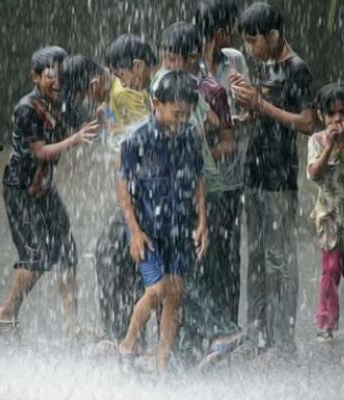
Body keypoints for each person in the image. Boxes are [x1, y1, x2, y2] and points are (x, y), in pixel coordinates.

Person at [0, 47, 98, 341]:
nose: (57, 80)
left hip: (45, 187)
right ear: (35, 77)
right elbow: (40, 151)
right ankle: (5, 312)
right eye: (50, 75)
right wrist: (74, 138)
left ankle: (72, 328)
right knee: (36, 256)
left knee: (66, 252)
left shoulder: (62, 103)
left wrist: (103, 113)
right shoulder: (27, 109)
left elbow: (88, 125)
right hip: (20, 189)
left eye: (61, 73)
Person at [230, 2, 315, 357]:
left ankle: (283, 342)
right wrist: (245, 112)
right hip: (254, 171)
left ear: (274, 35)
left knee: (280, 257)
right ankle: (256, 334)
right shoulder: (265, 66)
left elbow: (308, 123)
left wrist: (260, 106)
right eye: (246, 43)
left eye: (255, 42)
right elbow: (264, 114)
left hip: (280, 177)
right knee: (256, 254)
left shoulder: (298, 70)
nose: (250, 50)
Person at [151, 21, 236, 362]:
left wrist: (199, 161)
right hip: (173, 193)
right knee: (177, 272)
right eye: (166, 57)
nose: (170, 65)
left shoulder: (207, 90)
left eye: (177, 59)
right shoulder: (163, 84)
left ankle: (209, 337)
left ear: (192, 58)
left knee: (191, 270)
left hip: (202, 191)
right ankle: (188, 343)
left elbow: (222, 134)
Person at [117, 70, 208, 371]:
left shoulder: (190, 135)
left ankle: (161, 362)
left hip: (179, 227)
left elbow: (199, 179)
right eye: (176, 113)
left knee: (175, 293)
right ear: (157, 103)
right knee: (156, 290)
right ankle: (128, 344)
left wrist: (202, 222)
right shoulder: (137, 139)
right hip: (148, 231)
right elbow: (123, 184)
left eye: (186, 114)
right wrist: (133, 231)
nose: (181, 120)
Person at [94, 34, 157, 343]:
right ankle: (130, 339)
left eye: (122, 76)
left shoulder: (146, 92)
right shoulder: (144, 88)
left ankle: (125, 339)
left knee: (113, 255)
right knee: (130, 262)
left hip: (148, 194)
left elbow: (147, 139)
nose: (122, 82)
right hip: (141, 191)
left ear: (136, 66)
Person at [307, 83, 344, 342]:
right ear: (321, 116)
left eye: (342, 113)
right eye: (331, 114)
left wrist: (342, 145)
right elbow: (313, 174)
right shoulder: (315, 141)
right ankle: (326, 323)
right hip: (328, 217)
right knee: (330, 269)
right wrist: (329, 147)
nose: (337, 120)